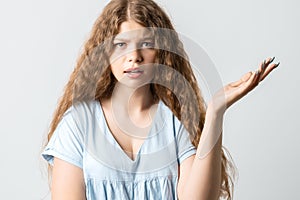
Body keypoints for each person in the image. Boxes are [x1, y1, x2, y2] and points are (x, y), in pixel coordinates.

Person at [41, 0, 279, 199]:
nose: (134, 57)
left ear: (162, 51)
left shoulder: (176, 120)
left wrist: (216, 112)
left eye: (146, 44)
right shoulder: (78, 125)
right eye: (121, 45)